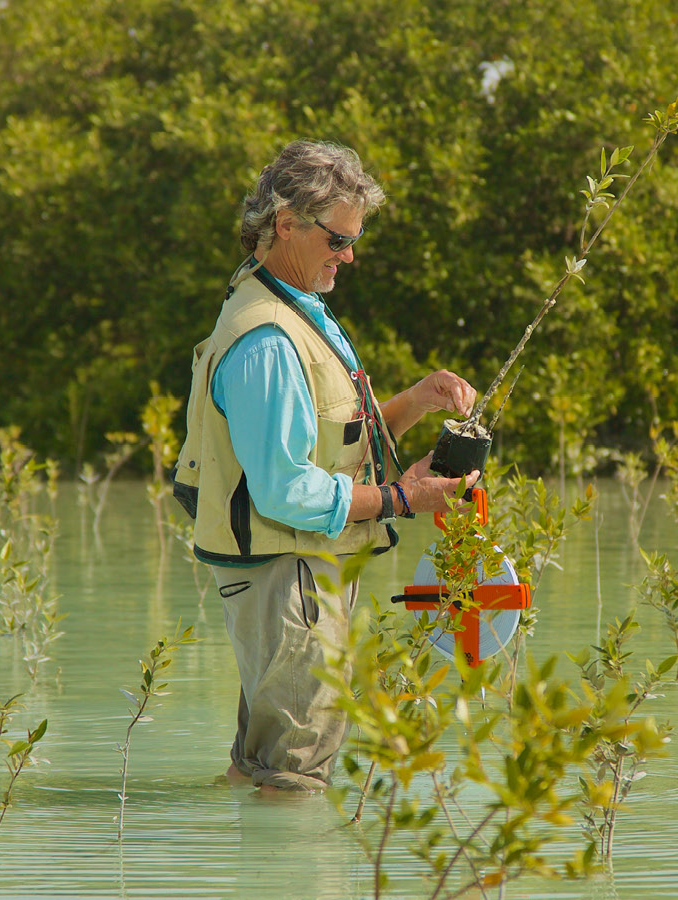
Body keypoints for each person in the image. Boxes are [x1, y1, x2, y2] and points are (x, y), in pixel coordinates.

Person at [172, 140, 478, 794]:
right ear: (287, 225)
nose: (350, 256)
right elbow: (285, 491)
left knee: (257, 769)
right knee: (295, 780)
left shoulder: (287, 302)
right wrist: (402, 498)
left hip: (293, 576)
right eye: (338, 240)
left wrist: (415, 402)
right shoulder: (268, 339)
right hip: (290, 580)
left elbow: (325, 442)